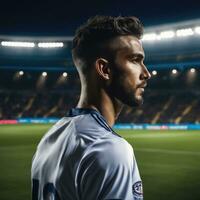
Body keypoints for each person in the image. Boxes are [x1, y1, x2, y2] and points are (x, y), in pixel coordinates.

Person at [31, 15, 151, 200]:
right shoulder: (110, 150)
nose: (146, 73)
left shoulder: (49, 140)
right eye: (135, 60)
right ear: (104, 69)